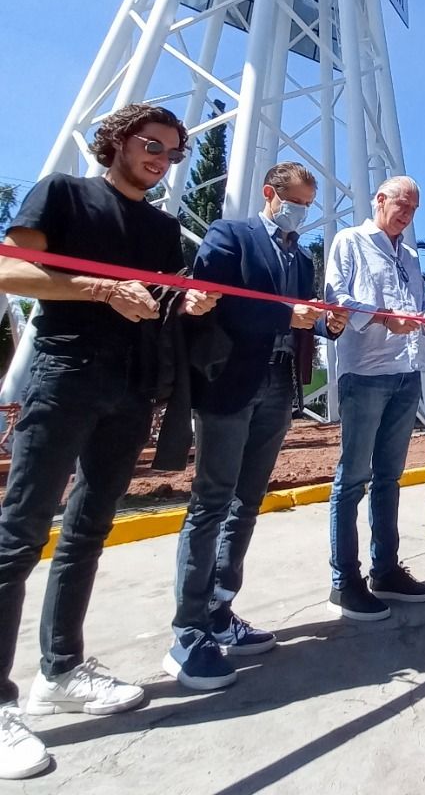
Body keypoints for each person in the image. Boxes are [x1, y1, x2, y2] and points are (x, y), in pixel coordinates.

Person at [0, 104, 218, 782]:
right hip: (65, 374)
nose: (161, 159)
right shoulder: (64, 193)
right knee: (19, 533)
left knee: (88, 530)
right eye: (153, 145)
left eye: (175, 153)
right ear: (119, 140)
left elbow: (154, 303)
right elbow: (12, 271)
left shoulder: (161, 229)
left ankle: (61, 669)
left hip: (131, 387)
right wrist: (94, 290)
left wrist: (190, 305)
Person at [165, 162, 350, 691]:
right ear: (271, 194)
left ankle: (222, 609)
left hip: (277, 384)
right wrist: (284, 316)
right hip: (229, 381)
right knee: (211, 502)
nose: (302, 212)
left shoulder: (301, 256)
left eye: (310, 205)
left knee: (247, 501)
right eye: (296, 201)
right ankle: (187, 627)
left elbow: (300, 316)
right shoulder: (232, 236)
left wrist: (325, 322)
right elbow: (208, 304)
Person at [324, 176, 425, 620]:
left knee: (389, 479)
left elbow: (417, 302)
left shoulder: (409, 255)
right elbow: (336, 297)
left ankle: (386, 569)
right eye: (402, 205)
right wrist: (379, 320)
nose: (407, 215)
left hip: (406, 372)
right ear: (380, 200)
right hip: (367, 373)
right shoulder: (350, 241)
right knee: (352, 479)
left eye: (414, 209)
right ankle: (345, 581)